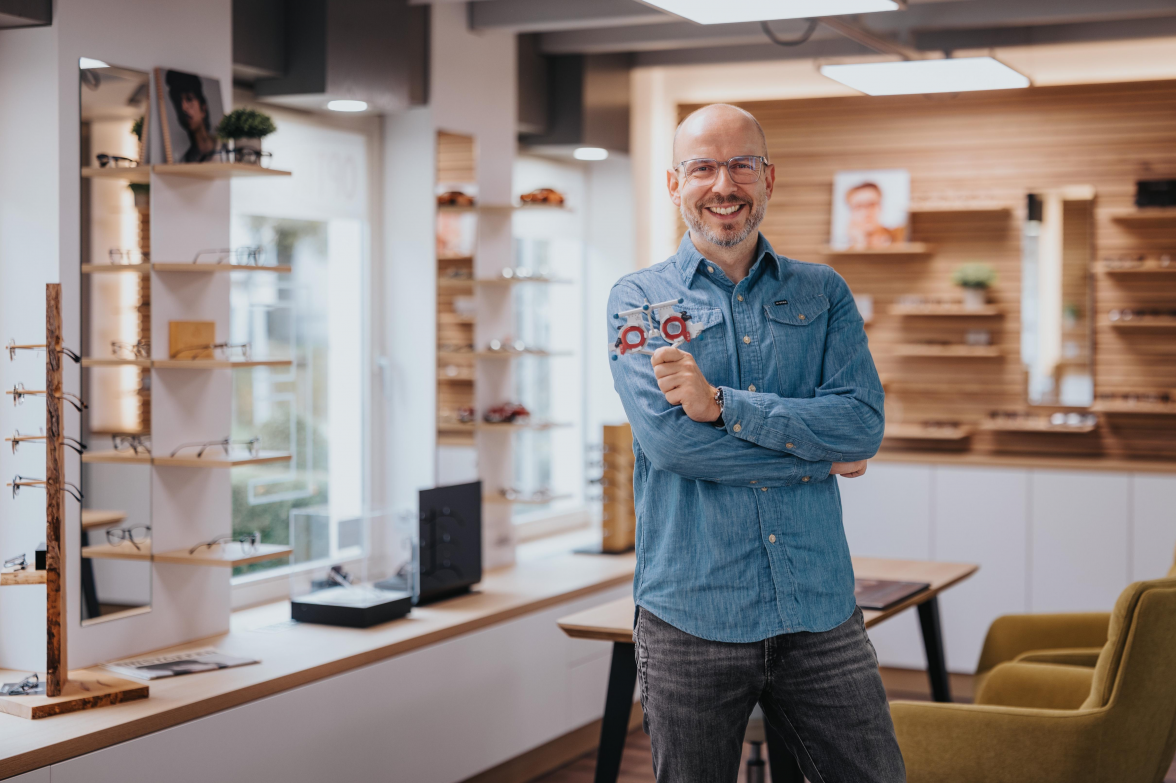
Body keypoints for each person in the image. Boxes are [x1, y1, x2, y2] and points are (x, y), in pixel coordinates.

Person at [607, 104, 902, 783]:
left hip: (820, 613)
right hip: (692, 615)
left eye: (741, 164)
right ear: (675, 183)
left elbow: (862, 424)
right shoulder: (639, 303)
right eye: (703, 167)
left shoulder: (822, 292)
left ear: (768, 177)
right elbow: (675, 447)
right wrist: (818, 454)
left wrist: (721, 406)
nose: (724, 185)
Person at [165, 70, 219, 163]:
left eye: (189, 99)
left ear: (203, 108)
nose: (183, 107)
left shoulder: (224, 147)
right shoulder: (184, 161)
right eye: (178, 102)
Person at [845, 181, 906, 249]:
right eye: (859, 207)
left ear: (880, 207)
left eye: (871, 205)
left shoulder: (902, 235)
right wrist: (860, 245)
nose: (866, 212)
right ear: (851, 213)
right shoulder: (845, 255)